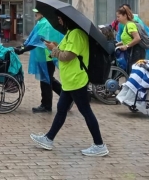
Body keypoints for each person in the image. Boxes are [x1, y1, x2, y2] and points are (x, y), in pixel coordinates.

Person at [30, 11, 108, 157]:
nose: (59, 21)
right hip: (69, 80)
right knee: (61, 108)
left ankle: (99, 145)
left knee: (85, 111)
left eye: (60, 19)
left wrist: (54, 50)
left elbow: (68, 56)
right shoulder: (70, 33)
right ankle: (48, 139)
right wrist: (54, 46)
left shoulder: (77, 34)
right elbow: (64, 50)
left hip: (76, 79)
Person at [15, 9, 65, 113]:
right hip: (44, 56)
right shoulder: (42, 22)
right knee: (48, 79)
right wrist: (21, 47)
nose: (35, 14)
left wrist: (23, 49)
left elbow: (38, 41)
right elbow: (32, 39)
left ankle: (46, 105)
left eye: (37, 12)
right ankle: (67, 98)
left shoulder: (45, 23)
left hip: (46, 57)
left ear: (43, 13)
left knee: (46, 81)